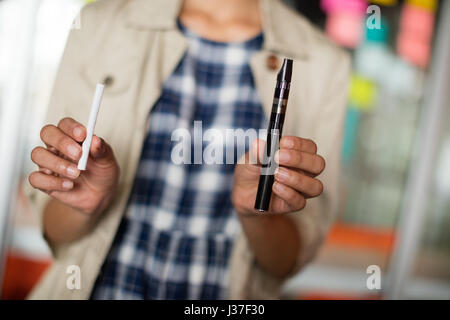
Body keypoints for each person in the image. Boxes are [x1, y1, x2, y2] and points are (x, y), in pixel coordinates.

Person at [26, 0, 350, 299]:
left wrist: (258, 216)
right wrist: (86, 203)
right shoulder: (99, 25)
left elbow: (284, 263)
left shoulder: (323, 62)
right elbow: (56, 230)